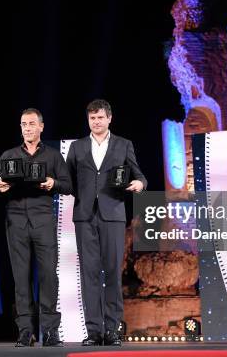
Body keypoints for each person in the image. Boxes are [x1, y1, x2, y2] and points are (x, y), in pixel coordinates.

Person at [66, 99, 147, 346]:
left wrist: (140, 185)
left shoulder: (124, 145)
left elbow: (139, 175)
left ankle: (112, 330)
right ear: (88, 120)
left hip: (113, 214)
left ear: (109, 118)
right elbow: (68, 180)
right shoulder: (77, 147)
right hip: (85, 216)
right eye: (92, 118)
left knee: (112, 272)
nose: (96, 122)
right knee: (89, 273)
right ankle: (93, 331)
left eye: (100, 117)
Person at [0, 108, 72, 347]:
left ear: (41, 126)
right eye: (23, 124)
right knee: (21, 277)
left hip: (43, 220)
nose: (27, 128)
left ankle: (50, 332)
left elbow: (68, 185)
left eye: (31, 124)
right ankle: (25, 331)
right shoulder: (9, 155)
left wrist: (53, 183)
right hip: (15, 220)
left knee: (49, 274)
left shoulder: (52, 155)